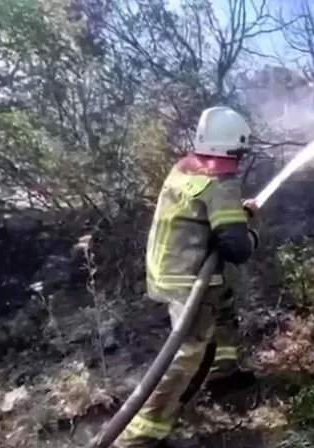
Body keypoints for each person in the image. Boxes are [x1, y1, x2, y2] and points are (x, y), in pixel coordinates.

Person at [115, 106, 260, 448]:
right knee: (187, 355)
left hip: (165, 269)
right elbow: (237, 248)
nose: (240, 160)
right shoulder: (221, 183)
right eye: (240, 152)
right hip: (189, 281)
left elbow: (201, 213)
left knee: (223, 307)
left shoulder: (184, 169)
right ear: (233, 148)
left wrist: (235, 215)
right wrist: (251, 229)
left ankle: (223, 372)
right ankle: (140, 438)